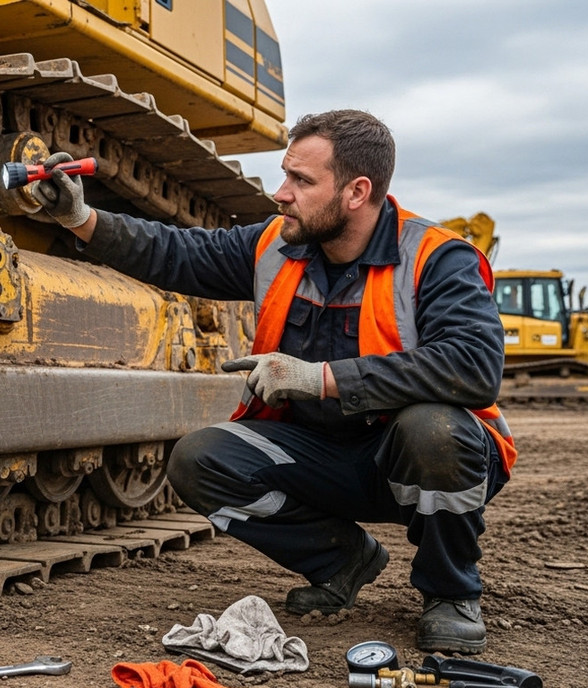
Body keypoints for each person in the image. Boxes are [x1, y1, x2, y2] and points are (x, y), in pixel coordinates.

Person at [32, 109, 516, 655]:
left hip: (414, 457)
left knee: (434, 429)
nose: (281, 194)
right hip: (323, 454)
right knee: (200, 459)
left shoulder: (435, 258)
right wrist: (82, 220)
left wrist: (323, 378)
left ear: (357, 192)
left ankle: (450, 593)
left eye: (301, 181)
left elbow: (475, 366)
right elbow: (177, 253)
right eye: (286, 175)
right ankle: (342, 560)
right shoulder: (276, 245)